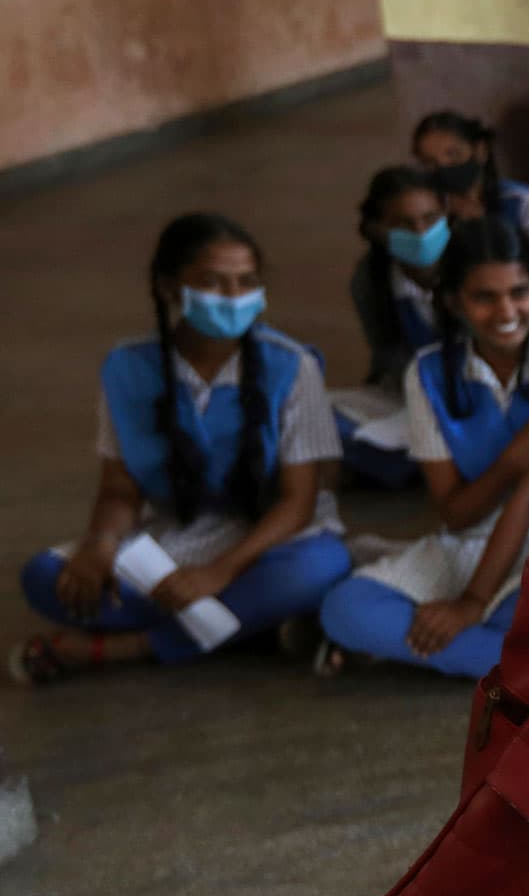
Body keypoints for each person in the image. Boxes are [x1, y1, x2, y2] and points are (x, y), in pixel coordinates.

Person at [13, 213, 351, 686]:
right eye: (214, 283)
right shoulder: (127, 369)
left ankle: (126, 648)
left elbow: (298, 502)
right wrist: (100, 546)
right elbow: (119, 489)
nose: (234, 298)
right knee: (49, 578)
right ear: (170, 289)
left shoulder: (291, 366)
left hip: (268, 537)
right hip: (182, 530)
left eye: (247, 282)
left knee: (320, 567)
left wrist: (218, 574)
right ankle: (250, 628)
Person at [316, 218, 529, 678]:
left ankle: (476, 652)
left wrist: (471, 604)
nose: (506, 310)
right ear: (452, 301)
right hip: (469, 539)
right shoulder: (426, 374)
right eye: (484, 296)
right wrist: (514, 458)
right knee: (345, 609)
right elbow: (455, 514)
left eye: (519, 292)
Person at [337, 165, 451, 488]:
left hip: (477, 398)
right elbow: (388, 356)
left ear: (446, 213)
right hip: (416, 398)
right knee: (321, 418)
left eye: (430, 219)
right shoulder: (371, 281)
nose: (420, 232)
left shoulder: (474, 264)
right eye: (403, 224)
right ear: (376, 229)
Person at [410, 110, 529, 291]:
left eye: (453, 155)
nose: (443, 167)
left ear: (480, 151)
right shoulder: (430, 213)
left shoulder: (521, 199)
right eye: (430, 162)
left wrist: (481, 222)